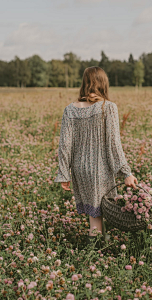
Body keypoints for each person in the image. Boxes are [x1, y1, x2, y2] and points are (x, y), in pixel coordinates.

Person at [54, 66, 138, 245]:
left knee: (95, 214)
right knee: (97, 218)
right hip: (99, 171)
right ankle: (94, 257)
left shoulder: (70, 109)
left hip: (79, 170)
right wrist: (126, 173)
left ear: (84, 83)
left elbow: (64, 145)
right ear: (104, 84)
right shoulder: (108, 108)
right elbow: (114, 144)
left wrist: (64, 173)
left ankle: (99, 248)